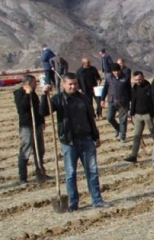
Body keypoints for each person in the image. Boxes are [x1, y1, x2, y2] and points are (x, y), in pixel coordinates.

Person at [41, 75, 109, 210]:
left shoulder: (83, 98)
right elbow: (43, 111)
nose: (73, 86)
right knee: (70, 173)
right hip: (68, 142)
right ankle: (73, 202)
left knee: (92, 171)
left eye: (75, 84)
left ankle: (97, 200)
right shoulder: (58, 99)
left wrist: (96, 136)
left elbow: (90, 118)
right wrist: (44, 95)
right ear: (63, 84)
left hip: (87, 140)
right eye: (70, 84)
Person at [14, 75, 50, 184]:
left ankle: (40, 173)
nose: (36, 84)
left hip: (37, 125)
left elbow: (37, 108)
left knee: (40, 150)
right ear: (28, 83)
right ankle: (23, 177)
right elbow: (21, 109)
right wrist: (27, 94)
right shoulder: (19, 93)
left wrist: (42, 121)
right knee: (25, 150)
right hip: (26, 126)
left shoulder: (33, 93)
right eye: (35, 82)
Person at [124, 70, 154, 163]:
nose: (138, 81)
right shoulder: (134, 88)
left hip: (148, 115)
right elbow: (132, 102)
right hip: (137, 115)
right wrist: (130, 114)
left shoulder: (149, 88)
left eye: (139, 79)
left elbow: (153, 102)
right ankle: (133, 156)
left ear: (143, 78)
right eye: (136, 80)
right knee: (136, 136)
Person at [101, 63, 131, 143]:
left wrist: (130, 102)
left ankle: (122, 136)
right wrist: (102, 99)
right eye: (114, 71)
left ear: (120, 70)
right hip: (112, 101)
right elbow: (105, 88)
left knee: (123, 120)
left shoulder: (125, 77)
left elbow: (129, 89)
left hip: (123, 101)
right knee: (109, 118)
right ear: (112, 71)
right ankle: (118, 129)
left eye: (117, 70)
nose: (116, 72)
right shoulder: (108, 78)